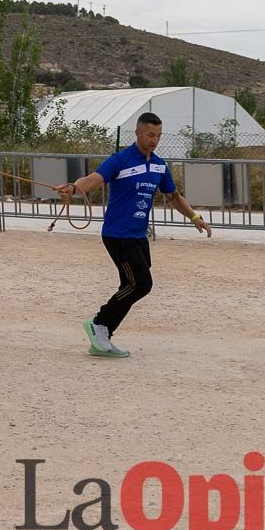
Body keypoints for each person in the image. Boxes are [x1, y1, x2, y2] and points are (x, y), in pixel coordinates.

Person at [57, 112, 211, 358]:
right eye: (150, 134)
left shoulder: (160, 165)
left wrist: (195, 217)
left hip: (138, 235)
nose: (155, 140)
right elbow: (94, 178)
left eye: (159, 135)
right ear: (138, 133)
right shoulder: (121, 160)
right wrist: (75, 188)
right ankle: (99, 323)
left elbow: (173, 196)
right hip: (117, 234)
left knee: (130, 284)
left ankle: (103, 335)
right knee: (141, 284)